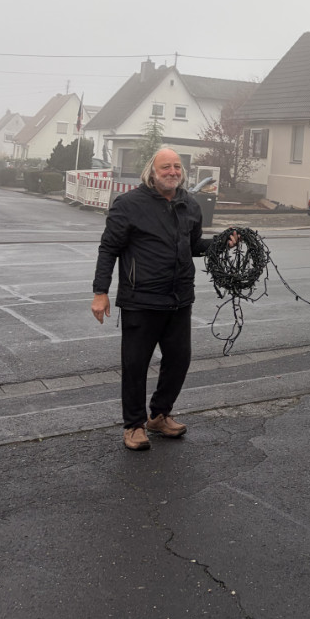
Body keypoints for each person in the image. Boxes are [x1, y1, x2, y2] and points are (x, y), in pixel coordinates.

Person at [91, 148, 233, 451]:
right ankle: (134, 425)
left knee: (179, 359)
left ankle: (159, 414)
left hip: (180, 299)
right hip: (140, 300)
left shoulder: (189, 205)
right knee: (135, 365)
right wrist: (100, 292)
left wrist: (222, 242)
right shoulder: (128, 205)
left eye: (177, 166)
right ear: (152, 171)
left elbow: (193, 245)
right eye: (166, 166)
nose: (172, 171)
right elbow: (109, 249)